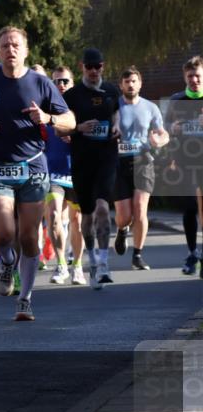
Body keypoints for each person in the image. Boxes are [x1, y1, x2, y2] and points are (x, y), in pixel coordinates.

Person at [0, 27, 74, 321]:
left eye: (15, 45)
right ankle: (6, 262)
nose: (10, 50)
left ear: (25, 50)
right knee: (3, 233)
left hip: (33, 168)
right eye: (5, 45)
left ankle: (25, 299)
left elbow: (70, 120)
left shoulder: (41, 83)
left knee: (28, 237)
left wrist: (48, 118)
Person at [64, 48, 122, 290]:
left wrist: (117, 126)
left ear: (103, 67)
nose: (94, 71)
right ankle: (92, 260)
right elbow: (61, 127)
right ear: (82, 67)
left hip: (107, 157)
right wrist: (79, 128)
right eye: (89, 67)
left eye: (98, 66)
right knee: (87, 215)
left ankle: (105, 263)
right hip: (82, 160)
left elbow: (117, 112)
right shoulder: (72, 95)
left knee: (102, 207)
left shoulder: (111, 91)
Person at [113, 66, 168, 270]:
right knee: (124, 216)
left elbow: (163, 133)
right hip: (119, 163)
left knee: (140, 207)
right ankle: (122, 230)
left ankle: (137, 255)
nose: (130, 85)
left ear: (140, 84)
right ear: (121, 85)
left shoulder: (150, 107)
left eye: (134, 81)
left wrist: (159, 141)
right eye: (127, 82)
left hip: (143, 161)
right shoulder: (114, 106)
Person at [44, 66, 85, 285]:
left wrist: (76, 135)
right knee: (53, 216)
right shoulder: (46, 108)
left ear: (72, 83)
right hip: (53, 173)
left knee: (77, 221)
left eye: (65, 81)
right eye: (57, 81)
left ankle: (77, 266)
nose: (61, 85)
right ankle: (61, 264)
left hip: (77, 172)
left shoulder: (80, 107)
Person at [164, 55, 203, 278]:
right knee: (189, 207)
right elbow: (165, 126)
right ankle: (192, 253)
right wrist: (173, 128)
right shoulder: (176, 99)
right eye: (190, 76)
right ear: (184, 77)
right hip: (184, 161)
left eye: (198, 76)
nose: (194, 80)